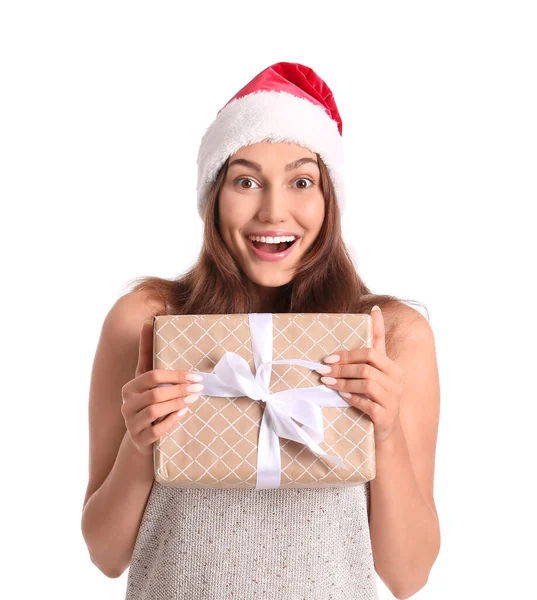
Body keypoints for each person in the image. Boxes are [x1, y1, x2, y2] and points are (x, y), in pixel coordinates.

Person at [81, 62, 441, 599]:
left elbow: (407, 576)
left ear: (329, 201)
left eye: (301, 181)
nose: (274, 211)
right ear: (212, 197)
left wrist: (383, 439)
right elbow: (106, 556)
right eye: (246, 181)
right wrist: (140, 446)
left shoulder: (388, 337)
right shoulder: (148, 323)